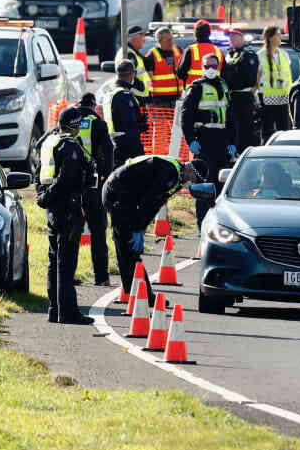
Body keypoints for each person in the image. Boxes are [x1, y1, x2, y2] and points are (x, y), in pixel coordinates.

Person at [103, 155, 204, 310]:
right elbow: (148, 201)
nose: (193, 183)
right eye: (195, 179)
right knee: (127, 247)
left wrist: (142, 228)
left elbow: (155, 205)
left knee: (129, 249)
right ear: (190, 169)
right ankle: (139, 295)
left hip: (128, 196)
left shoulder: (176, 179)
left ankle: (138, 293)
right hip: (117, 192)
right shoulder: (171, 173)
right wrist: (137, 228)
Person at [34, 108, 94, 325]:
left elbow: (39, 172)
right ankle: (67, 312)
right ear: (74, 125)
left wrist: (42, 196)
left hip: (53, 208)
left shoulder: (49, 141)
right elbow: (67, 179)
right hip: (67, 207)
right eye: (79, 124)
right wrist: (47, 197)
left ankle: (55, 309)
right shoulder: (69, 146)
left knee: (54, 259)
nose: (80, 128)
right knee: (66, 262)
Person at [180, 52, 236, 227]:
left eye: (213, 66)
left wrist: (233, 142)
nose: (210, 69)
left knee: (221, 185)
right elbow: (185, 116)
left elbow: (230, 117)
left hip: (221, 141)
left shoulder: (223, 85)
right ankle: (202, 225)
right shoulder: (197, 87)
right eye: (206, 66)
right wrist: (190, 140)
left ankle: (219, 225)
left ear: (218, 66)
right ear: (202, 68)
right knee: (204, 186)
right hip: (204, 140)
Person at [67, 93, 113, 286]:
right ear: (93, 105)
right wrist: (105, 176)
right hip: (93, 184)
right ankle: (101, 277)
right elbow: (109, 152)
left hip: (71, 184)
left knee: (71, 232)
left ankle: (68, 275)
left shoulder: (68, 119)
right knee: (98, 230)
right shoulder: (98, 123)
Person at [222, 27, 262, 151]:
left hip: (244, 97)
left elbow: (250, 76)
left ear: (242, 38)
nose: (232, 39)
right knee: (233, 127)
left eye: (235, 37)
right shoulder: (229, 54)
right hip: (231, 97)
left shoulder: (248, 54)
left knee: (245, 129)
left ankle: (245, 152)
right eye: (230, 37)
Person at [103, 59, 148, 166]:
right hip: (127, 146)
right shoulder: (124, 95)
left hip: (113, 142)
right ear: (131, 73)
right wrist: (139, 152)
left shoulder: (110, 93)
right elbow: (129, 125)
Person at [257, 26, 292, 140]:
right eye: (277, 35)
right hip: (267, 97)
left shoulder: (284, 54)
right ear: (270, 38)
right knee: (268, 129)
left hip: (283, 97)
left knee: (284, 129)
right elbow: (257, 78)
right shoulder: (260, 55)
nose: (280, 37)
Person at [175, 19, 224, 86]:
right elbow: (225, 75)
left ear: (195, 33)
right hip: (214, 92)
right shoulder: (218, 51)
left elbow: (180, 73)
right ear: (209, 33)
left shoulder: (190, 50)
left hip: (193, 92)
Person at [144, 27, 183, 108]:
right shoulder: (151, 55)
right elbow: (147, 80)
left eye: (172, 39)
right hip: (160, 101)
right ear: (159, 41)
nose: (171, 42)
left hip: (178, 98)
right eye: (168, 40)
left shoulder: (178, 50)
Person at [114, 26, 150, 101]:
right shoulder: (128, 53)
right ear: (134, 38)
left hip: (137, 95)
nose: (144, 39)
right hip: (135, 95)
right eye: (142, 36)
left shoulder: (131, 52)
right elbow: (128, 74)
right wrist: (141, 87)